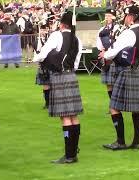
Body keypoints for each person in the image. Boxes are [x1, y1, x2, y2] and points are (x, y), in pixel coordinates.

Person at [33, 11, 83, 164]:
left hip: (60, 77)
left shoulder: (57, 36)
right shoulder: (77, 40)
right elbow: (76, 63)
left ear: (62, 24)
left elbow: (43, 54)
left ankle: (68, 156)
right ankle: (73, 153)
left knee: (65, 117)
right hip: (71, 76)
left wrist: (35, 58)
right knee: (74, 116)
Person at [100, 6, 139, 150]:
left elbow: (116, 50)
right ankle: (136, 142)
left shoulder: (129, 33)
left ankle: (120, 141)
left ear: (131, 17)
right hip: (137, 71)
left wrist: (105, 55)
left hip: (126, 71)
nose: (125, 19)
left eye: (126, 16)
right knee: (137, 109)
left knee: (114, 107)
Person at [97, 8, 120, 103]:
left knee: (115, 82)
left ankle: (117, 104)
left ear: (113, 17)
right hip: (105, 57)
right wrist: (102, 50)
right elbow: (98, 43)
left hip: (115, 57)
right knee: (108, 83)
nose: (107, 18)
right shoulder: (102, 29)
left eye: (109, 16)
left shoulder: (117, 28)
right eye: (106, 16)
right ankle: (112, 104)